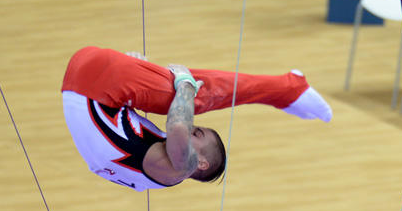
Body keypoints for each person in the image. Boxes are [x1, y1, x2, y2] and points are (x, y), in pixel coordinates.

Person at [62, 46, 332, 191]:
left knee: (196, 94)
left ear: (200, 162)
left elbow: (178, 125)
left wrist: (187, 85)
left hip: (94, 83)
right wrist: (132, 69)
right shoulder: (149, 171)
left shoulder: (178, 168)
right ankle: (287, 93)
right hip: (82, 83)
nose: (192, 128)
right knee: (178, 97)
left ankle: (290, 89)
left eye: (198, 134)